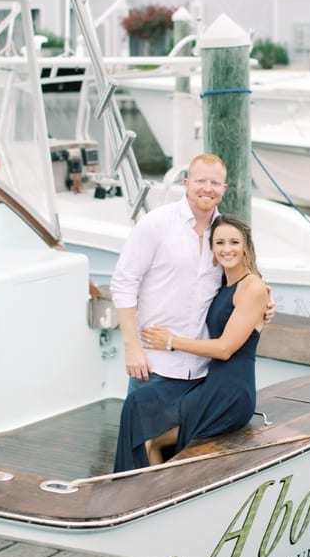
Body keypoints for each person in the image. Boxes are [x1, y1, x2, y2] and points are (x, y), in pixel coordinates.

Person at [110, 153, 274, 471]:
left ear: (224, 188)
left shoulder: (223, 233)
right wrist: (131, 347)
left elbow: (243, 278)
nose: (207, 188)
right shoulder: (156, 224)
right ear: (186, 183)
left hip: (202, 372)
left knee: (181, 462)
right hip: (154, 363)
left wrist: (266, 300)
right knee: (141, 451)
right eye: (200, 180)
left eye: (215, 183)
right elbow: (123, 283)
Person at [139, 213, 269, 463]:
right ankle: (159, 496)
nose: (227, 249)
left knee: (159, 444)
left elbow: (224, 349)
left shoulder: (252, 286)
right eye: (219, 243)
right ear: (211, 248)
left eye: (234, 242)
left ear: (246, 247)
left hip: (231, 392)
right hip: (211, 384)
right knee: (153, 440)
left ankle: (166, 497)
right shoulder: (222, 284)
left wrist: (171, 341)